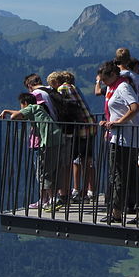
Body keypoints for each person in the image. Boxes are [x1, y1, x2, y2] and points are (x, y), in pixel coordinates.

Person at [0, 92, 67, 211]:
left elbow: (15, 117)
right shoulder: (38, 108)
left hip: (48, 142)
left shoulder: (31, 108)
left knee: (45, 171)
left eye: (21, 105)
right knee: (55, 169)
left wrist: (9, 113)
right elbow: (20, 113)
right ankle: (55, 197)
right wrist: (7, 110)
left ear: (25, 103)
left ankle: (52, 200)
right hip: (58, 139)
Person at [98, 61, 139, 225]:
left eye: (104, 79)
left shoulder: (122, 87)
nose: (102, 83)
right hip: (119, 136)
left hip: (125, 138)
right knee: (129, 175)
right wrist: (109, 123)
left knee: (118, 175)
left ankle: (117, 212)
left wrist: (119, 122)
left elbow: (134, 107)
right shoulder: (112, 88)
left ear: (112, 75)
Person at [48, 71, 98, 202]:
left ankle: (72, 192)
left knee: (73, 159)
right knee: (87, 160)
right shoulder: (74, 87)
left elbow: (63, 106)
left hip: (80, 128)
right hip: (89, 125)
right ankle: (86, 191)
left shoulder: (63, 88)